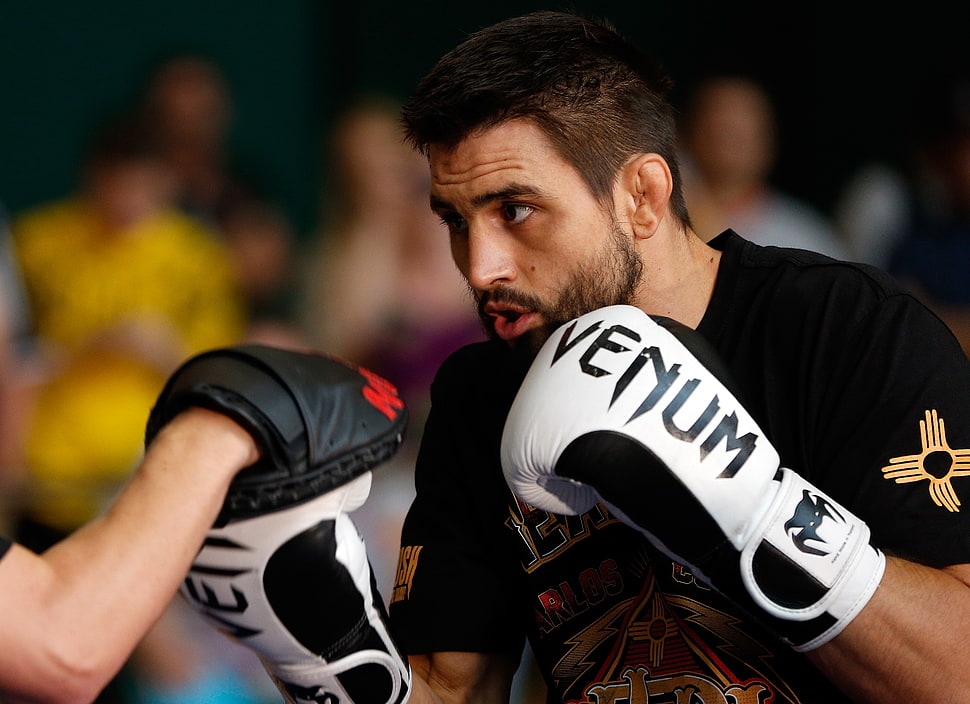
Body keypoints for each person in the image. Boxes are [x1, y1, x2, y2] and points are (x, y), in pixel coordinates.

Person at [372, 11, 969, 704]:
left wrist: (760, 516)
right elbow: (452, 690)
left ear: (643, 197)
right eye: (455, 219)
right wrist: (325, 655)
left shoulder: (847, 331)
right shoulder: (481, 392)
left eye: (515, 210)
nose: (479, 268)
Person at [679, 74, 848, 258]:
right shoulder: (658, 223)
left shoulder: (803, 235)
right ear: (689, 134)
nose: (727, 145)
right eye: (718, 132)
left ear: (768, 141)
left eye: (739, 134)